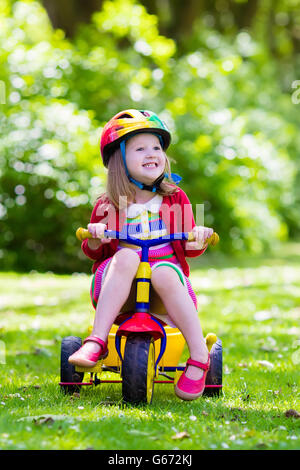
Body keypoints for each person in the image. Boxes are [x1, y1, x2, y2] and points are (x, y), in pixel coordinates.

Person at [68, 109, 214, 400]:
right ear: (117, 159)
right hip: (120, 286)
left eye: (157, 147)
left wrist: (199, 237)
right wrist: (96, 236)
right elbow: (94, 250)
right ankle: (98, 339)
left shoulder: (175, 197)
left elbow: (188, 248)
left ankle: (199, 354)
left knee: (161, 269)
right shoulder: (109, 203)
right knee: (126, 256)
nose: (152, 153)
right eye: (140, 148)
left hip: (165, 287)